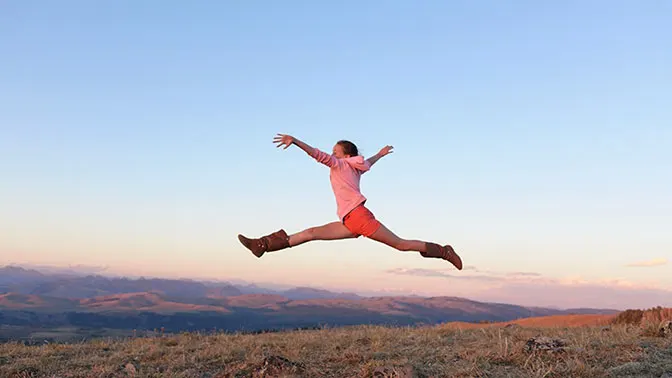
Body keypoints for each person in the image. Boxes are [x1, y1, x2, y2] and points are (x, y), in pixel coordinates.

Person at [237, 134, 463, 270]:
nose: (331, 154)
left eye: (335, 152)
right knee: (311, 232)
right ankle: (262, 245)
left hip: (358, 218)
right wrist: (379, 154)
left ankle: (444, 251)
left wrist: (295, 141)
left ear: (345, 156)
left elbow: (317, 154)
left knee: (401, 244)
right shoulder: (353, 168)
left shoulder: (340, 165)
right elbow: (368, 163)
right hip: (349, 219)